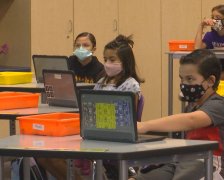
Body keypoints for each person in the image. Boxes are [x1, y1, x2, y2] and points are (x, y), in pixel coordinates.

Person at [37, 34, 144, 180]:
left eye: (112, 60)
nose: (107, 63)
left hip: (112, 138)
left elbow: (128, 120)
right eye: (105, 59)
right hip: (93, 133)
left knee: (53, 157)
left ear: (125, 62)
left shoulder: (131, 85)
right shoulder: (101, 82)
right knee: (44, 156)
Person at [131, 49, 224, 180]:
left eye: (190, 79)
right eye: (181, 79)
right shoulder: (192, 106)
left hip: (213, 166)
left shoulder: (219, 105)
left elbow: (191, 120)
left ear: (210, 81)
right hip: (185, 161)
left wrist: (145, 126)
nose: (184, 84)